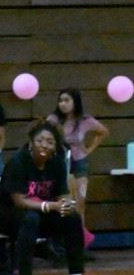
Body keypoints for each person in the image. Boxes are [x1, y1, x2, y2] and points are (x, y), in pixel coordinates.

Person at [0, 121, 102, 275]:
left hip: (35, 212)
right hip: (0, 212)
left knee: (72, 218)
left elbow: (62, 193)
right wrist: (50, 206)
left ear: (55, 146)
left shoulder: (57, 163)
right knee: (30, 219)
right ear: (31, 142)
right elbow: (18, 201)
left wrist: (65, 204)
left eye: (50, 142)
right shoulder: (18, 162)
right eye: (40, 140)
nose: (44, 145)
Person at [47, 88, 109, 243]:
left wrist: (89, 149)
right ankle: (60, 242)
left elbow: (103, 132)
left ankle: (79, 242)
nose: (63, 104)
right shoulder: (53, 120)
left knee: (80, 201)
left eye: (67, 100)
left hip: (79, 161)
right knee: (64, 201)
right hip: (60, 163)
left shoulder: (84, 120)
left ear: (75, 102)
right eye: (61, 100)